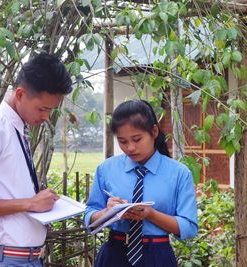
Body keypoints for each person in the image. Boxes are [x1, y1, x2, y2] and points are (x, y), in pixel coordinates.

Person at [0, 53, 73, 267]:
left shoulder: (18, 128)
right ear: (20, 94)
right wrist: (30, 203)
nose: (46, 116)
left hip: (29, 258)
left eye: (51, 110)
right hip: (8, 260)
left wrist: (37, 201)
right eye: (42, 108)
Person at [84, 100, 198, 267]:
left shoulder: (179, 173)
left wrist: (151, 214)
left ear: (154, 131)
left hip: (158, 257)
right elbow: (89, 217)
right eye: (122, 141)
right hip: (113, 255)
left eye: (137, 139)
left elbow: (189, 228)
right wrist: (108, 212)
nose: (130, 147)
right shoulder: (106, 169)